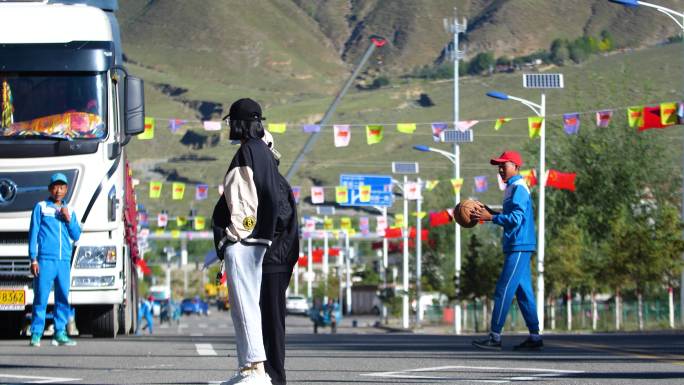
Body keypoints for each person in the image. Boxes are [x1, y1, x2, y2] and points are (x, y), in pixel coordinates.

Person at [219, 98, 279, 385]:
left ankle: (254, 369)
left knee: (244, 306)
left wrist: (234, 236)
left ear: (240, 123)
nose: (230, 127)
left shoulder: (247, 153)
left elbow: (244, 205)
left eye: (232, 121)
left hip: (245, 242)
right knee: (249, 304)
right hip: (260, 241)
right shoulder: (264, 152)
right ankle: (248, 368)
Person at [471, 151, 543, 351]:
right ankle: (535, 337)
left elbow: (517, 220)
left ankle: (495, 337)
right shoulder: (511, 188)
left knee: (503, 290)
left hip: (519, 245)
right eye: (498, 165)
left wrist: (492, 218)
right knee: (523, 292)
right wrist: (489, 213)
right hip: (516, 245)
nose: (500, 168)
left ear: (516, 166)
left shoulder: (519, 188)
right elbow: (510, 216)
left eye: (504, 164)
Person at [258, 130, 299, 385]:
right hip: (268, 256)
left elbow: (280, 218)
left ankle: (275, 376)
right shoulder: (267, 177)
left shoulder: (273, 180)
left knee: (273, 320)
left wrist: (252, 230)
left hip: (274, 258)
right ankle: (264, 371)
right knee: (264, 318)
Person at [28, 172, 81, 347]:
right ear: (50, 189)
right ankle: (36, 333)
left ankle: (59, 332)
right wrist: (33, 259)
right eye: (55, 187)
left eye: (62, 187)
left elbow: (76, 234)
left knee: (63, 298)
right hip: (45, 260)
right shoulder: (41, 207)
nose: (58, 190)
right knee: (41, 297)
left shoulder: (70, 210)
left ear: (66, 189)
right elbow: (34, 233)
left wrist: (68, 219)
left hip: (64, 260)